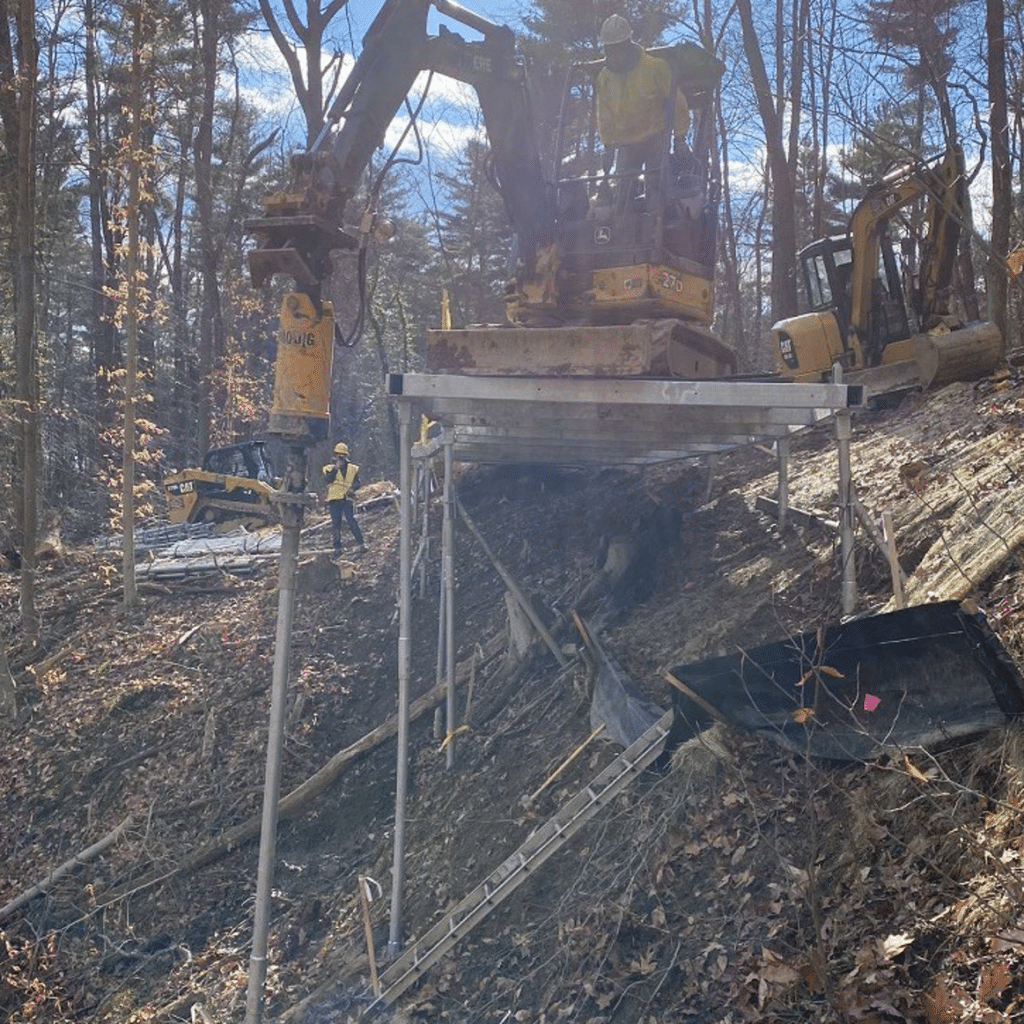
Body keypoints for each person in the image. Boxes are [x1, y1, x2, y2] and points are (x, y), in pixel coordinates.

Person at [596, 14, 690, 203]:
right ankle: (621, 229)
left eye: (618, 49)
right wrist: (607, 146)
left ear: (628, 45)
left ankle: (659, 224)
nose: (614, 55)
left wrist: (680, 138)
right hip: (625, 143)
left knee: (657, 189)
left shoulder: (655, 67)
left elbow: (677, 103)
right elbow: (604, 114)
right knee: (621, 195)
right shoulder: (605, 78)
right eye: (610, 50)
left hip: (655, 137)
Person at [322, 441, 365, 556]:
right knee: (336, 524)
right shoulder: (329, 468)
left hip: (347, 499)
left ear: (346, 456)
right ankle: (337, 548)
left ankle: (361, 544)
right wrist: (336, 469)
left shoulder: (352, 469)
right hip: (334, 499)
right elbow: (328, 480)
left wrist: (353, 489)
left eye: (342, 456)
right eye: (338, 456)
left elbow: (357, 482)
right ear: (335, 456)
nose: (341, 458)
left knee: (351, 521)